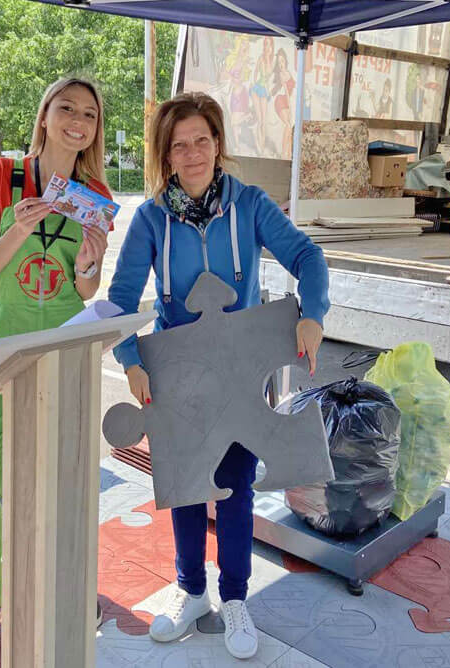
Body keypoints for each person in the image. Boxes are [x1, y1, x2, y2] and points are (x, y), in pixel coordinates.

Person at [107, 92, 330, 660]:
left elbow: (307, 257)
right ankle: (191, 592)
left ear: (217, 144)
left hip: (241, 376)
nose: (192, 153)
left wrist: (312, 313)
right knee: (185, 486)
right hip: (178, 380)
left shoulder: (250, 205)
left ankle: (234, 599)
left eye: (201, 141)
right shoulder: (150, 219)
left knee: (236, 486)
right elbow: (122, 298)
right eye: (179, 145)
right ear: (166, 155)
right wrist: (131, 360)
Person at [0, 77, 112, 658]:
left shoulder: (94, 194)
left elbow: (86, 289)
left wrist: (89, 263)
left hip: (65, 350)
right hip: (2, 349)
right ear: (44, 115)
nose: (77, 121)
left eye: (89, 114)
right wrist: (19, 226)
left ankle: (70, 585)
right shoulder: (4, 174)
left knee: (64, 484)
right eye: (66, 108)